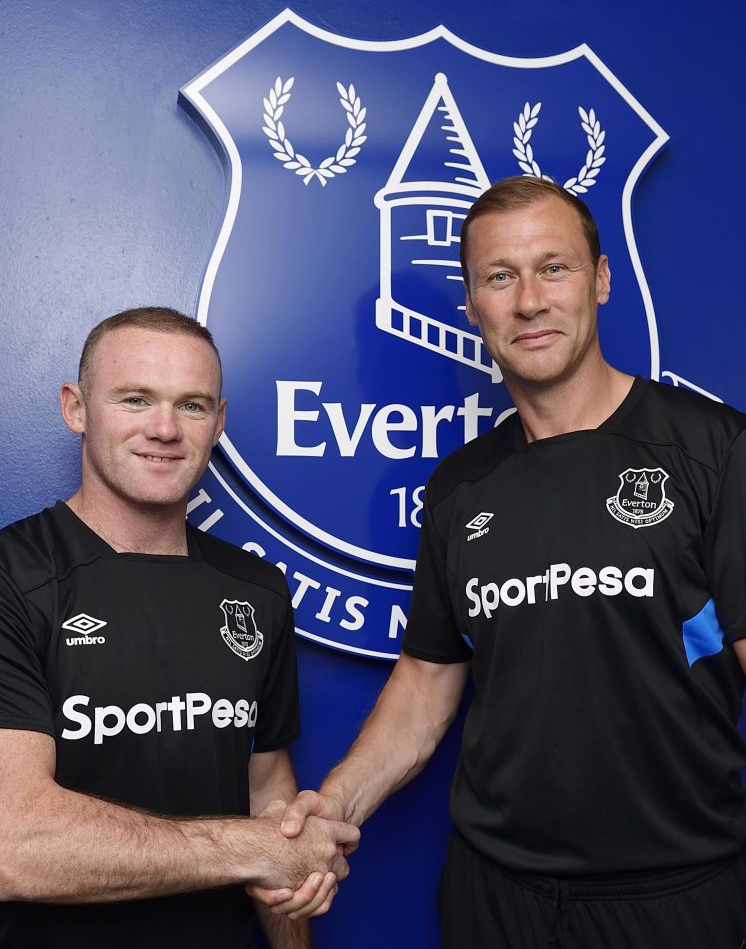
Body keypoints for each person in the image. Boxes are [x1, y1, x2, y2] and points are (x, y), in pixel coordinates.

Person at [259, 177, 746, 947]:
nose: (528, 301)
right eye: (499, 276)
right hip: (495, 899)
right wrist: (336, 807)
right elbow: (426, 683)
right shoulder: (459, 486)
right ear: (474, 304)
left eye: (553, 268)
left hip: (675, 892)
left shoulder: (715, 451)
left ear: (602, 279)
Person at [0, 307, 359, 949]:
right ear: (76, 408)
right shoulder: (12, 577)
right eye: (136, 399)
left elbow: (267, 793)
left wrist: (288, 893)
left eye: (191, 406)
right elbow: (14, 844)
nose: (164, 429)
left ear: (219, 422)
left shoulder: (257, 591)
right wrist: (248, 849)